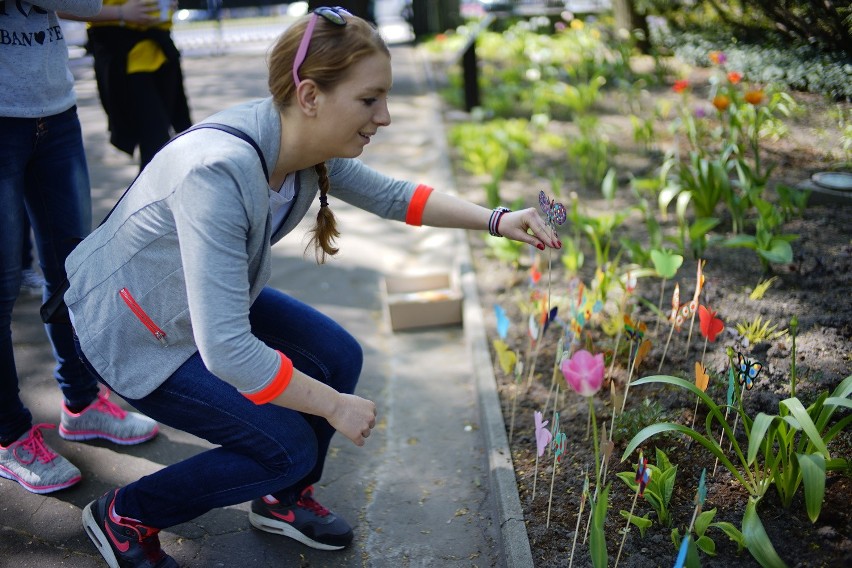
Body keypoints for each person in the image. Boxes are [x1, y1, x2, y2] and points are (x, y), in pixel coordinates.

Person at [64, 7, 560, 566]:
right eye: (370, 100)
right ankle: (125, 514)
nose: (386, 117)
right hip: (135, 329)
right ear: (310, 95)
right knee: (287, 446)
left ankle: (281, 501)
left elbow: (395, 196)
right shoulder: (219, 173)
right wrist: (333, 407)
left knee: (337, 355)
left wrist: (498, 219)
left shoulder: (299, 143)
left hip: (199, 306)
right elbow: (228, 351)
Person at [0, 0, 160, 496]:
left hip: (54, 111)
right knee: (1, 288)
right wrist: (114, 12)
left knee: (73, 272)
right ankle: (11, 438)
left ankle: (83, 404)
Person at [60, 0, 192, 171]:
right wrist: (121, 12)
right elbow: (61, 7)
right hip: (123, 53)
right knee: (156, 140)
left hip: (160, 50)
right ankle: (150, 195)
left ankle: (155, 193)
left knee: (166, 136)